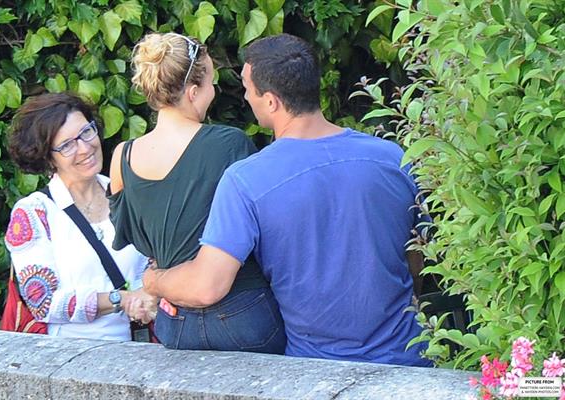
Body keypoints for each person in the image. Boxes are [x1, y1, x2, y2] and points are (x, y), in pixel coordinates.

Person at [142, 33, 431, 366]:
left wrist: (154, 280)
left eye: (249, 89)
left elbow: (206, 286)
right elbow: (417, 257)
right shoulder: (394, 158)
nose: (246, 96)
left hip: (315, 370)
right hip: (409, 361)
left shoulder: (245, 180)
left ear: (271, 101)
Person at [107, 32, 285, 353]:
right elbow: (270, 231)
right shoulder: (229, 144)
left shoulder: (123, 156)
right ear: (192, 92)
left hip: (174, 323)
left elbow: (131, 236)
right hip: (242, 313)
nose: (214, 92)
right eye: (211, 84)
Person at [6, 92, 155, 340]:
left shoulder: (128, 196)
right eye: (67, 145)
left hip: (140, 351)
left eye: (87, 132)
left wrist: (150, 291)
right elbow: (43, 302)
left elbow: (154, 263)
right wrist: (119, 298)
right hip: (67, 360)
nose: (85, 148)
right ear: (47, 157)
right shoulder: (33, 213)